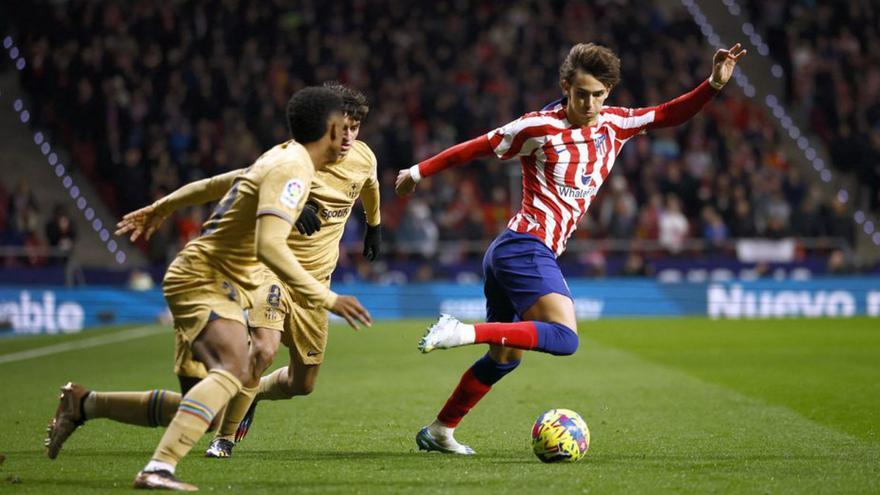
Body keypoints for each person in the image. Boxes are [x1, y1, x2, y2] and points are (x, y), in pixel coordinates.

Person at [395, 42, 746, 455]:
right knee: (565, 337)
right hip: (525, 247)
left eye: (599, 95)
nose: (591, 104)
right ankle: (460, 331)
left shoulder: (616, 123)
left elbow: (670, 113)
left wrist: (713, 85)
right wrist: (419, 171)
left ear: (609, 93)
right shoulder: (537, 127)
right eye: (582, 94)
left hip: (510, 252)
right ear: (566, 86)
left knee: (505, 358)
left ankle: (440, 430)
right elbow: (477, 146)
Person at [44, 86, 372, 491]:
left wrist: (163, 206)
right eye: (343, 126)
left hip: (213, 279)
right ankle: (158, 469)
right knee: (237, 369)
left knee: (207, 406)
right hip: (206, 278)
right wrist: (328, 297)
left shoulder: (280, 157)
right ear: (328, 127)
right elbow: (267, 245)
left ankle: (83, 403)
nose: (349, 136)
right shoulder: (294, 168)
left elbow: (216, 183)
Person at [203, 83, 382, 457]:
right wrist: (289, 203)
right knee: (263, 350)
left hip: (316, 285)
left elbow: (371, 186)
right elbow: (247, 186)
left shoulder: (364, 158)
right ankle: (224, 438)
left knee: (303, 384)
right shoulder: (295, 157)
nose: (348, 136)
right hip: (273, 273)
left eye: (355, 128)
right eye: (342, 127)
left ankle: (251, 395)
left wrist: (374, 225)